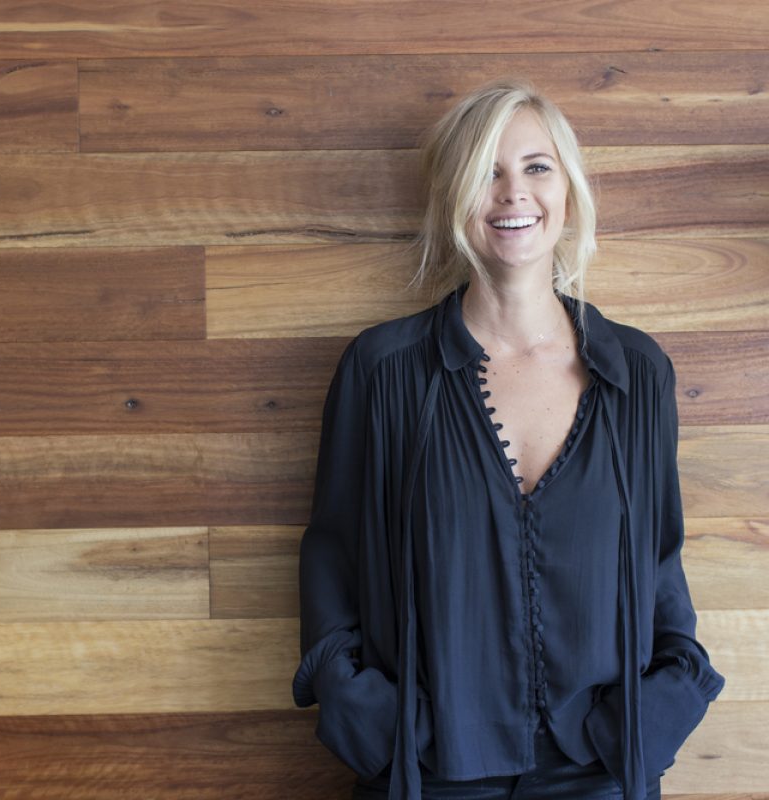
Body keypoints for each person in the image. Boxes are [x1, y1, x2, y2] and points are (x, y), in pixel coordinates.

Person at [291, 78, 725, 800]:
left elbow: (660, 561)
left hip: (604, 768)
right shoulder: (383, 371)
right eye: (486, 171)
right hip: (429, 769)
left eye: (536, 166)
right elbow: (332, 559)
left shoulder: (636, 371)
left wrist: (663, 707)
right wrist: (376, 727)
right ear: (453, 198)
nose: (512, 192)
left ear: (568, 193)